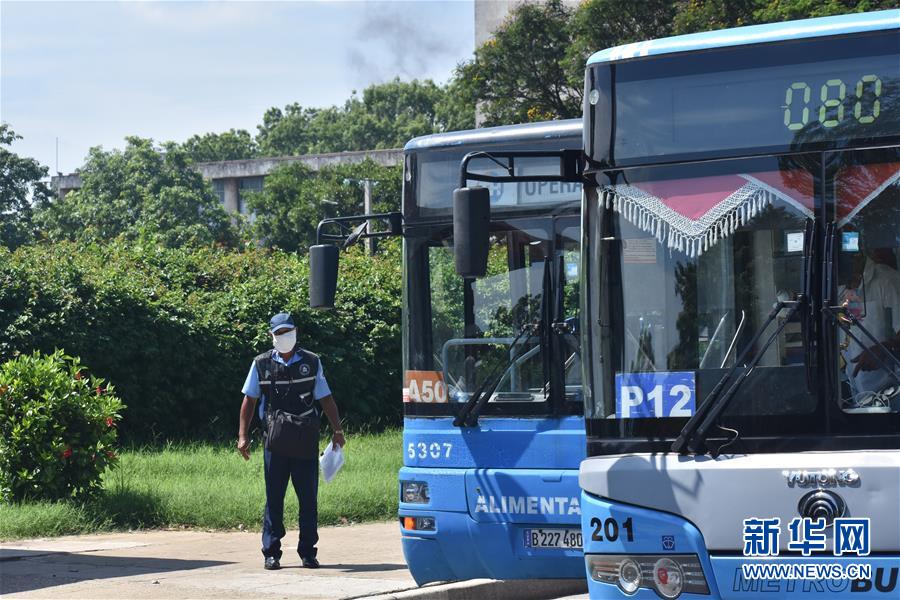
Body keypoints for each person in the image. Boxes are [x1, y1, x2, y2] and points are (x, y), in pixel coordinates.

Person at [237, 312, 346, 570]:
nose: (284, 337)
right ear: (271, 336)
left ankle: (308, 552)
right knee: (274, 497)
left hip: (305, 439)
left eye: (288, 332)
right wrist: (242, 435)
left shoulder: (312, 361)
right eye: (279, 334)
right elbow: (249, 400)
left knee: (308, 498)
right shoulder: (261, 363)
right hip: (274, 441)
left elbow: (326, 398)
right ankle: (271, 552)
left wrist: (337, 430)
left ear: (295, 332)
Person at [838, 244, 900, 411]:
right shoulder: (837, 288)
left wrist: (885, 350)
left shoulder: (889, 281)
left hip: (892, 400)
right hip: (856, 399)